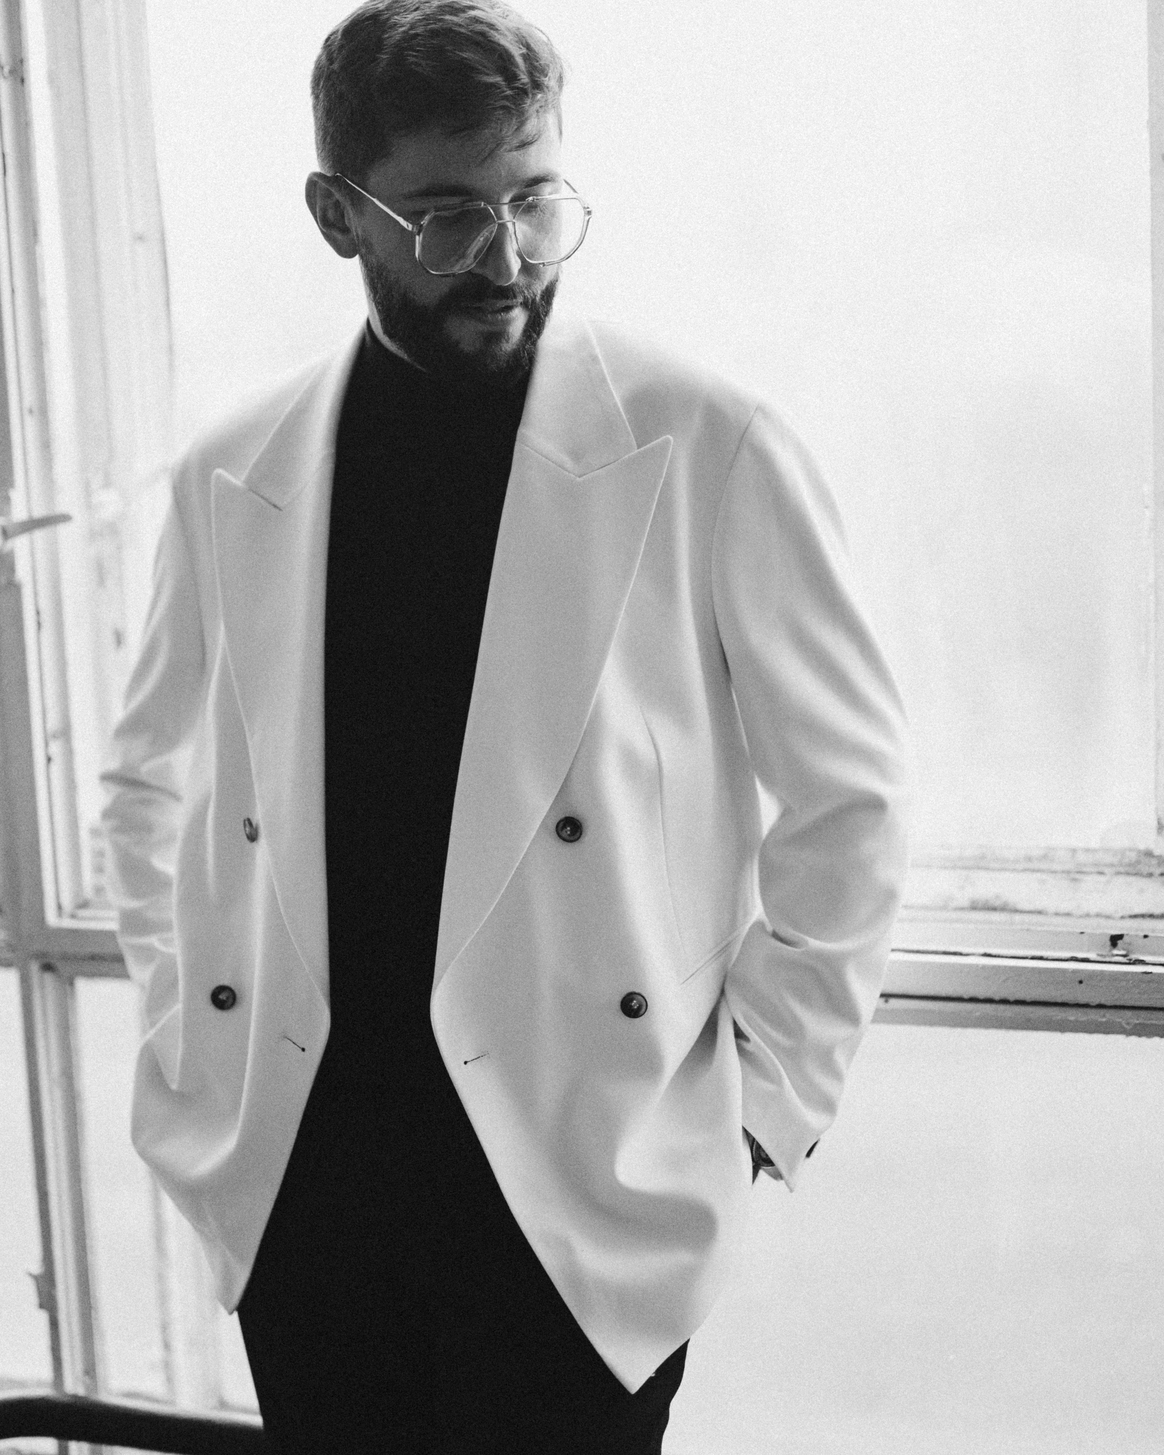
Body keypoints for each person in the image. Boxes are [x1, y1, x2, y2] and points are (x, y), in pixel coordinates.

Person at [99, 1, 910, 1450]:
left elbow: (853, 802)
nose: (506, 256)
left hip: (579, 1188)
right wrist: (187, 1049)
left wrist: (759, 1108)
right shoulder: (233, 469)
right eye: (445, 214)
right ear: (337, 215)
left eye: (534, 198)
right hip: (307, 1188)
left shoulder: (705, 439)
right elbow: (144, 785)